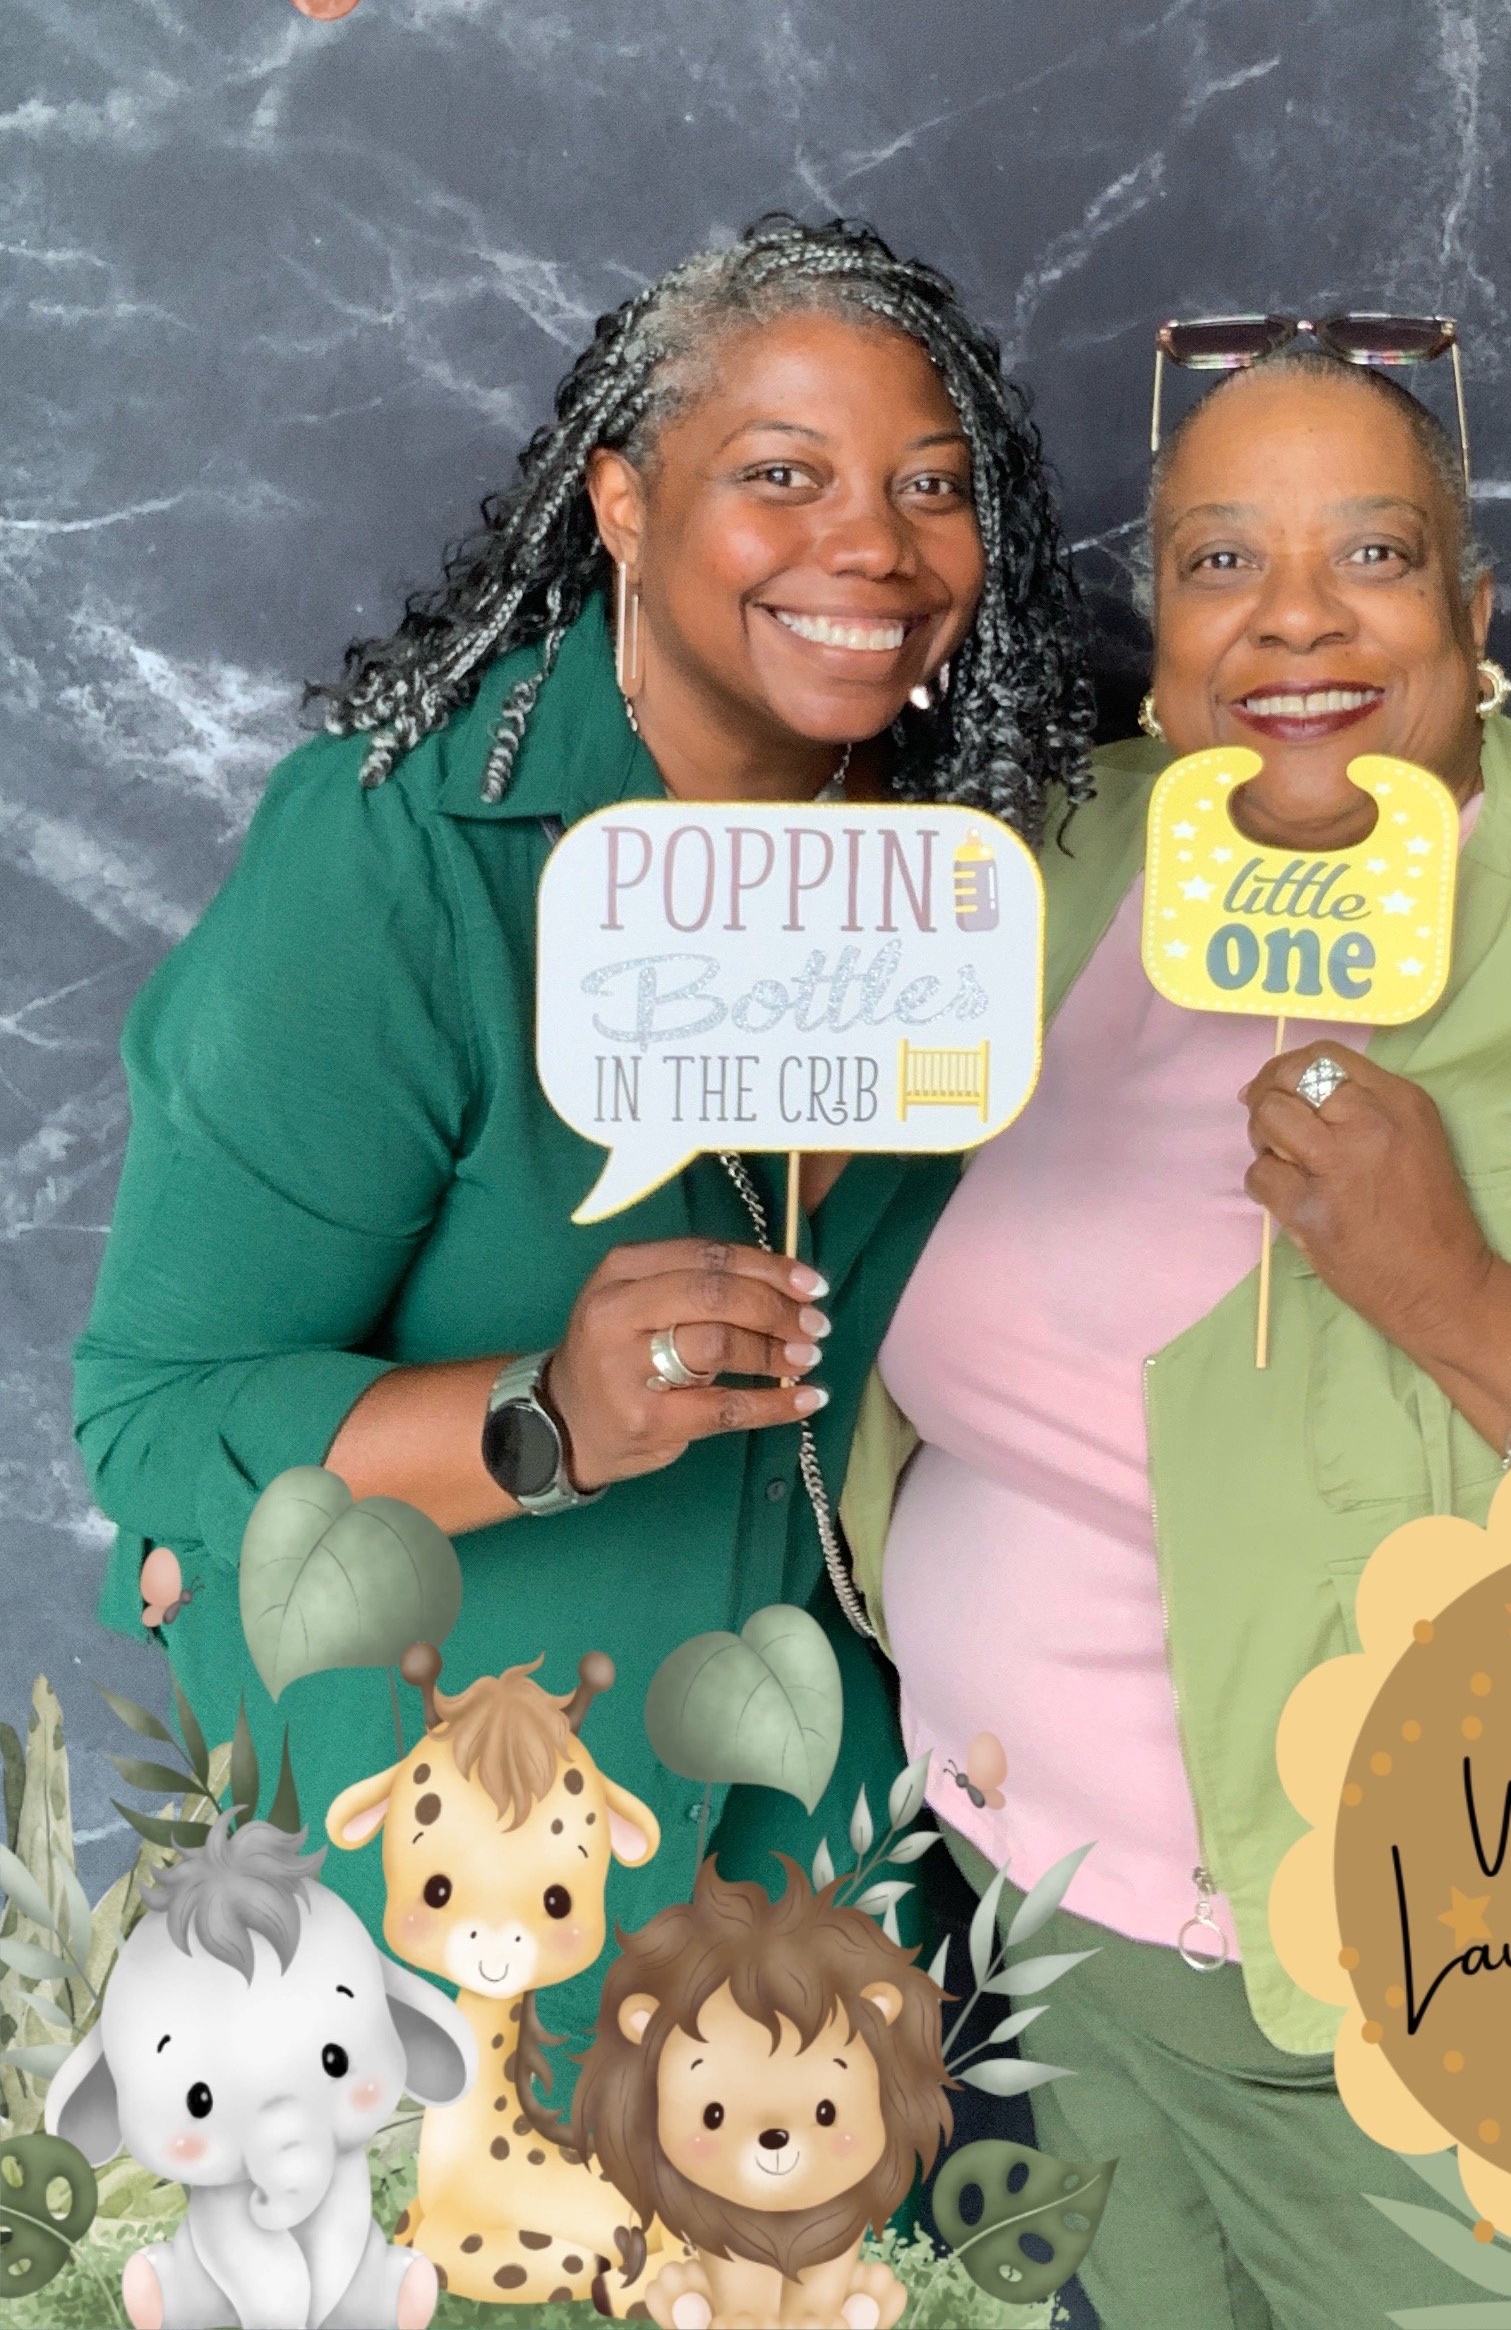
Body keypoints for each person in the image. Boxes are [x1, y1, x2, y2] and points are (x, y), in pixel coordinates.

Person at [836, 337, 1511, 2330]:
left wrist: (1454, 1297)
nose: (1293, 620)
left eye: (1371, 549)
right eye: (1218, 562)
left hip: (1405, 2006)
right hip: (1024, 1926)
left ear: (1474, 612)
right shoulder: (1056, 859)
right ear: (1160, 633)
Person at [72, 214, 1095, 2082]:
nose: (869, 544)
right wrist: (541, 1416)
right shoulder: (396, 867)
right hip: (449, 1839)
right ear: (619, 503)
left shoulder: (997, 860)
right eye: (778, 477)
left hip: (823, 1816)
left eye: (930, 488)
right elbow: (155, 1416)